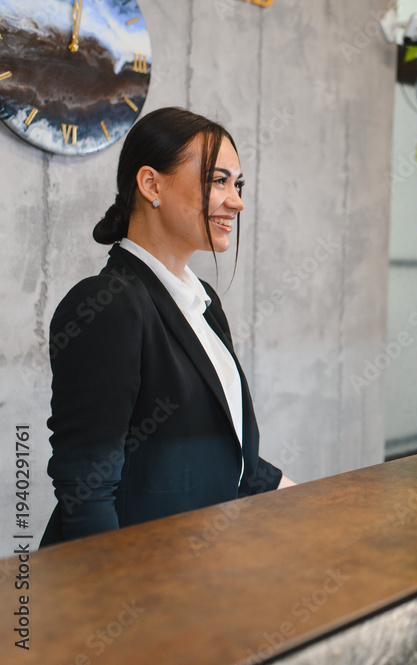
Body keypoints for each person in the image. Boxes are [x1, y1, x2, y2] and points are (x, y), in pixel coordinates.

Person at [42, 107, 295, 547]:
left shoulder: (204, 302)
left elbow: (231, 463)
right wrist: (112, 590)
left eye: (237, 185)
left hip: (201, 569)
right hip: (132, 577)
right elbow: (87, 492)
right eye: (218, 181)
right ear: (151, 185)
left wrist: (329, 506)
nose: (236, 201)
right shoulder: (107, 305)